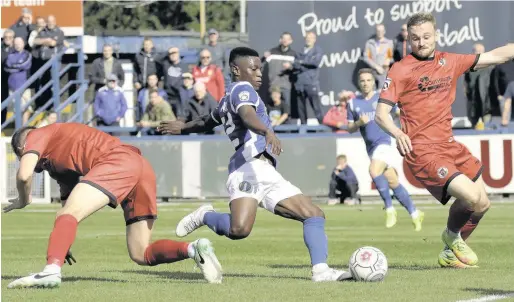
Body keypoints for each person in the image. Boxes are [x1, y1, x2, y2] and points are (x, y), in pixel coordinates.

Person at [158, 47, 352, 282]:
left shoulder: (226, 98)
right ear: (236, 70)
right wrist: (266, 130)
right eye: (254, 68)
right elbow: (248, 115)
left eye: (260, 68)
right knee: (238, 230)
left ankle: (321, 271)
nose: (259, 73)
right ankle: (205, 216)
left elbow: (207, 120)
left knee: (313, 215)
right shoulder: (242, 89)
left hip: (265, 170)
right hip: (247, 167)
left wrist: (183, 126)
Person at [5, 123, 222, 289]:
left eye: (22, 155)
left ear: (23, 147)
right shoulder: (56, 165)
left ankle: (51, 271)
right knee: (140, 253)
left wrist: (24, 200)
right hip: (140, 167)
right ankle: (194, 249)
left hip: (117, 161)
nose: (37, 169)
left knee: (67, 213)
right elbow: (67, 206)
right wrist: (61, 245)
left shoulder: (36, 135)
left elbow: (24, 176)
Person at [375, 12, 514, 268]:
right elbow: (380, 114)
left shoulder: (449, 61)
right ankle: (451, 237)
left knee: (482, 204)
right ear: (409, 39)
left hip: (450, 146)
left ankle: (450, 250)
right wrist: (398, 132)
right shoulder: (400, 69)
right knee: (471, 197)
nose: (421, 42)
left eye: (426, 36)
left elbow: (496, 55)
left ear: (436, 35)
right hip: (423, 151)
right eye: (415, 38)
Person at [346, 68, 424, 230]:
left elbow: (399, 113)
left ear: (374, 81)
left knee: (374, 171)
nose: (365, 83)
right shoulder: (353, 103)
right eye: (362, 81)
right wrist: (359, 123)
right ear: (358, 83)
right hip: (371, 148)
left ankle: (389, 209)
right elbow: (349, 128)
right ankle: (415, 213)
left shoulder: (383, 97)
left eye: (368, 80)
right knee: (392, 181)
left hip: (385, 142)